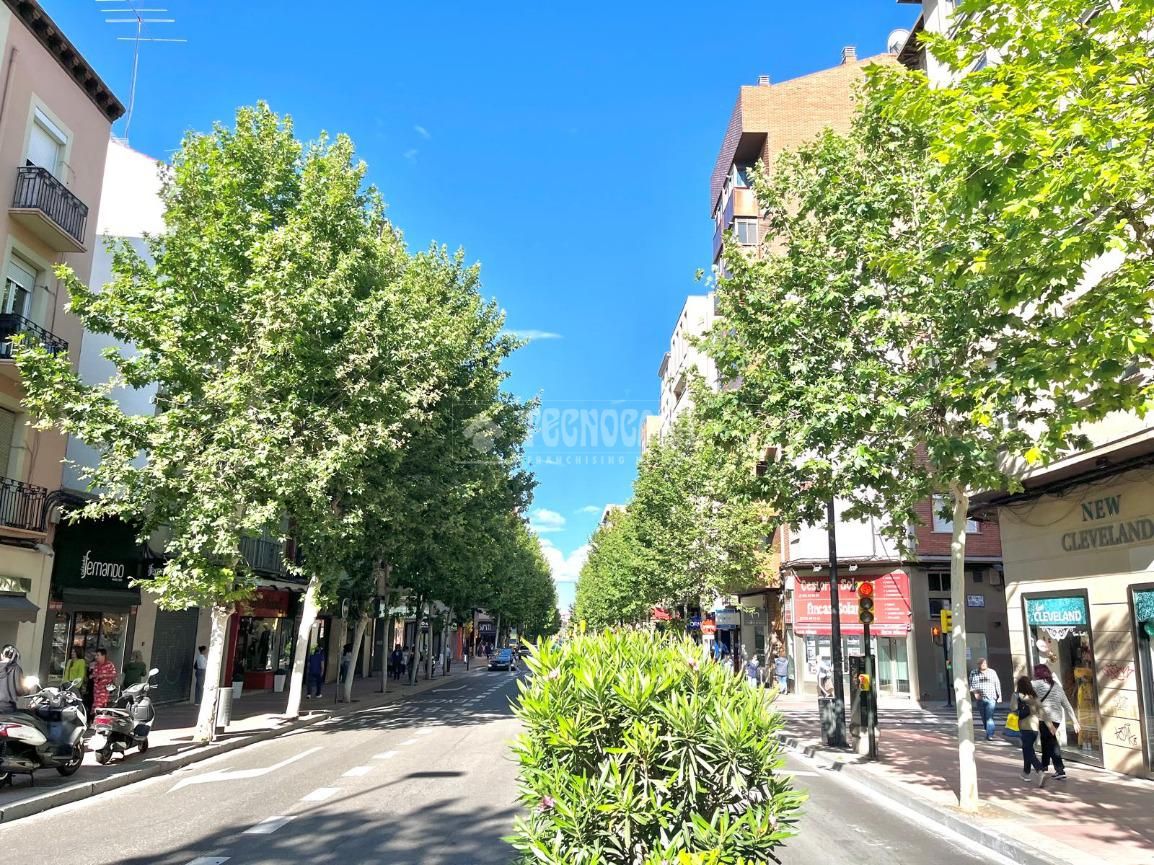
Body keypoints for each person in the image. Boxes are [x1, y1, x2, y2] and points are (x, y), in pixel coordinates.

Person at [1032, 663, 1079, 781]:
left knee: (1051, 742)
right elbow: (1066, 704)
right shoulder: (1056, 685)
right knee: (1046, 740)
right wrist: (1075, 721)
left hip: (1044, 719)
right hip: (1057, 719)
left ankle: (1060, 769)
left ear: (1037, 673)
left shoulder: (1035, 684)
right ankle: (1044, 765)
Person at [1010, 676, 1048, 787]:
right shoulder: (1034, 697)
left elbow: (1013, 708)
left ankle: (1040, 770)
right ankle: (1025, 773)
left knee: (1028, 750)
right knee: (1027, 749)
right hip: (1035, 728)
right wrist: (1050, 726)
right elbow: (1042, 712)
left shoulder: (1016, 695)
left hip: (1024, 727)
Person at [969, 658, 1002, 741]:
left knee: (989, 717)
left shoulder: (992, 672)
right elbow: (971, 684)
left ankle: (990, 734)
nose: (983, 665)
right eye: (981, 663)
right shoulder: (973, 672)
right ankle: (988, 730)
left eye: (984, 663)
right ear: (978, 665)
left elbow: (997, 683)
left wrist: (999, 696)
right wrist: (975, 693)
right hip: (980, 698)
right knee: (984, 717)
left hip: (991, 697)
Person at [0, 644, 31, 713]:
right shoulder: (16, 669)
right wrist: (28, 688)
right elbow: (19, 690)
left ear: (2, 655)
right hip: (8, 708)